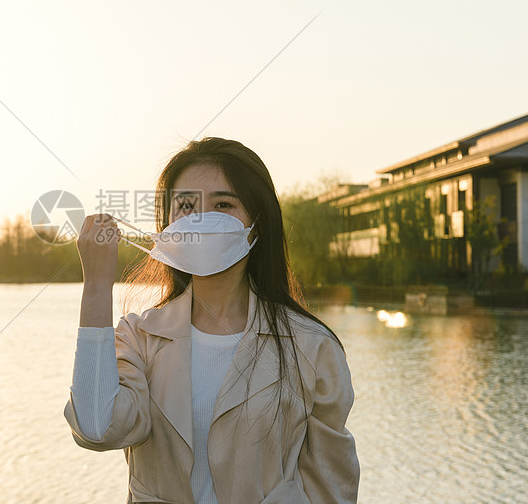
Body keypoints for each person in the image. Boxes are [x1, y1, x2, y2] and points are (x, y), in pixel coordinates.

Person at [64, 137, 359, 503]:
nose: (202, 219)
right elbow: (95, 427)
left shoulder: (311, 346)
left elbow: (332, 489)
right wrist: (95, 285)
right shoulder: (139, 337)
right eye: (186, 205)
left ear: (258, 223)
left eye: (223, 204)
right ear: (167, 223)